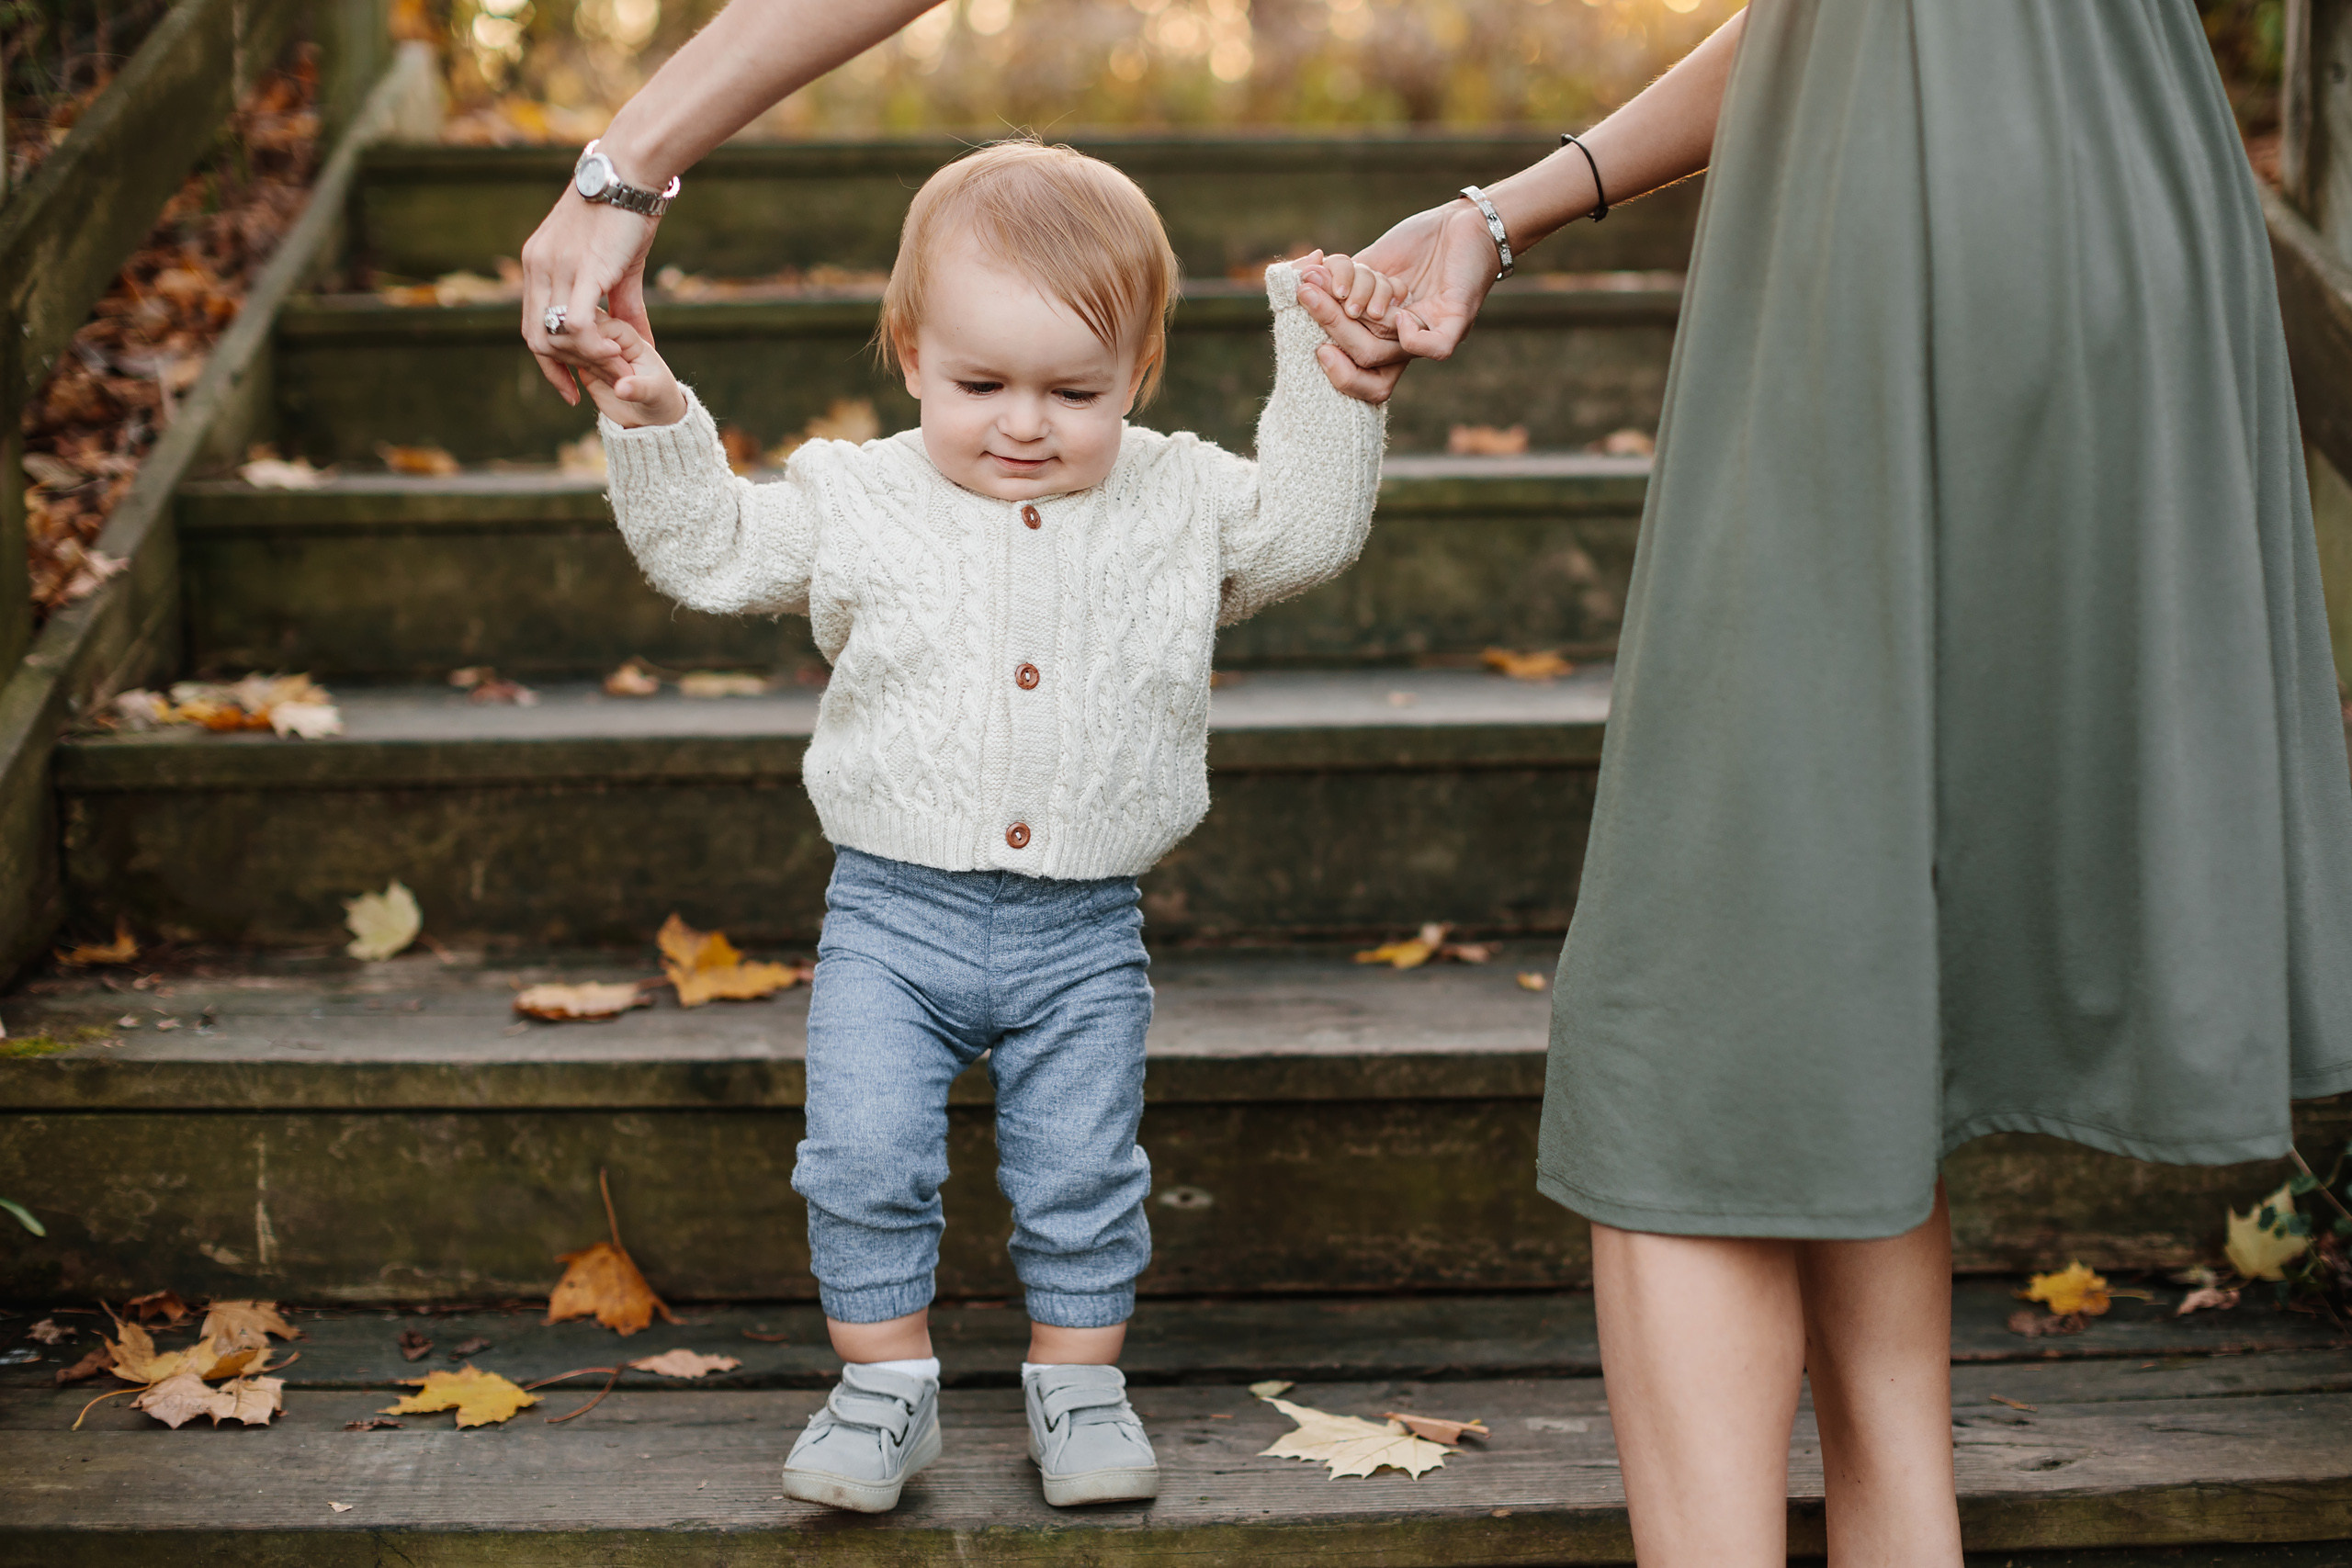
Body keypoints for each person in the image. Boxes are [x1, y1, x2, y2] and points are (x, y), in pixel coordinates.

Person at [1300, 2, 2352, 1563]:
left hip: (1904, 239)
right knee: (1837, 968)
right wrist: (1501, 212)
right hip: (2126, 209)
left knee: (1690, 1022)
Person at [574, 137, 1387, 1513]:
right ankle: (884, 1388)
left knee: (1081, 1167)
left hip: (1084, 931)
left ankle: (1078, 1384)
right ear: (909, 352)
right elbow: (708, 551)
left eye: (1075, 391)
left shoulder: (1178, 496)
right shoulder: (862, 496)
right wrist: (656, 419)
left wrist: (1322, 361)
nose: (1025, 423)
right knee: (862, 1153)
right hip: (892, 917)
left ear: (1137, 375)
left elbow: (1309, 529)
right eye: (980, 384)